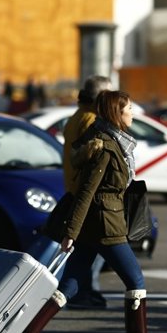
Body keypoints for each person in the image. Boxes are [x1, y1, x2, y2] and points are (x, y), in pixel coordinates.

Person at [8, 90, 167, 333]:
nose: (133, 113)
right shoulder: (106, 147)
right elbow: (86, 192)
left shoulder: (115, 142)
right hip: (104, 225)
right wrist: (70, 231)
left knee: (70, 285)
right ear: (115, 113)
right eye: (129, 108)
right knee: (135, 281)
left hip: (97, 224)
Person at [61, 75, 112, 309]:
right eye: (109, 93)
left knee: (87, 249)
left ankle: (83, 291)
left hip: (74, 187)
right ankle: (82, 292)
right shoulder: (91, 120)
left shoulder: (76, 117)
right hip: (87, 191)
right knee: (94, 247)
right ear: (100, 97)